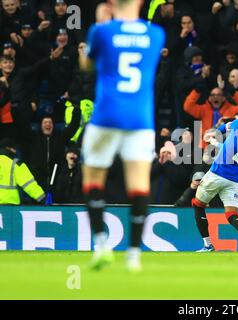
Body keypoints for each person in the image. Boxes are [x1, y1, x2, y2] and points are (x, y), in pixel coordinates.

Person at [78, 0, 165, 272]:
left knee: (92, 179)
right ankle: (134, 255)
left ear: (112, 3)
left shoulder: (101, 31)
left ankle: (102, 244)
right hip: (140, 119)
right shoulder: (155, 34)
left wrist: (101, 24)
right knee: (139, 186)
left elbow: (87, 65)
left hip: (105, 116)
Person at [191, 115, 238, 252]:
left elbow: (223, 129)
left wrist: (214, 135)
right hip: (234, 181)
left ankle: (208, 245)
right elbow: (229, 148)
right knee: (231, 214)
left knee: (198, 204)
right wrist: (216, 144)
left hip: (218, 173)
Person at [0, 138, 46, 205]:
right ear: (8, 148)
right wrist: (43, 199)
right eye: (14, 148)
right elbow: (29, 184)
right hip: (9, 207)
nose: (15, 151)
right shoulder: (15, 163)